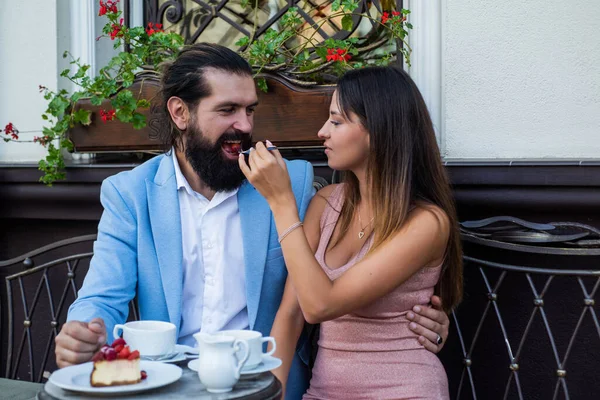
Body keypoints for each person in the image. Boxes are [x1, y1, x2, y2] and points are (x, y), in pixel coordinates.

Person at [53, 44, 451, 399]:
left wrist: (421, 316)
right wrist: (83, 332)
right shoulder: (131, 194)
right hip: (168, 385)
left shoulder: (289, 183)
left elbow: (335, 291)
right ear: (180, 113)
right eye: (227, 110)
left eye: (250, 110)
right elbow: (103, 296)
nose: (244, 126)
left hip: (263, 382)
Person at [239, 65, 463, 399]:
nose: (321, 132)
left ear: (378, 131)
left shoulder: (427, 223)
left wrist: (282, 202)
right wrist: (271, 394)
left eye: (337, 121)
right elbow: (292, 313)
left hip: (403, 390)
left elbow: (320, 306)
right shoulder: (327, 203)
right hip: (324, 391)